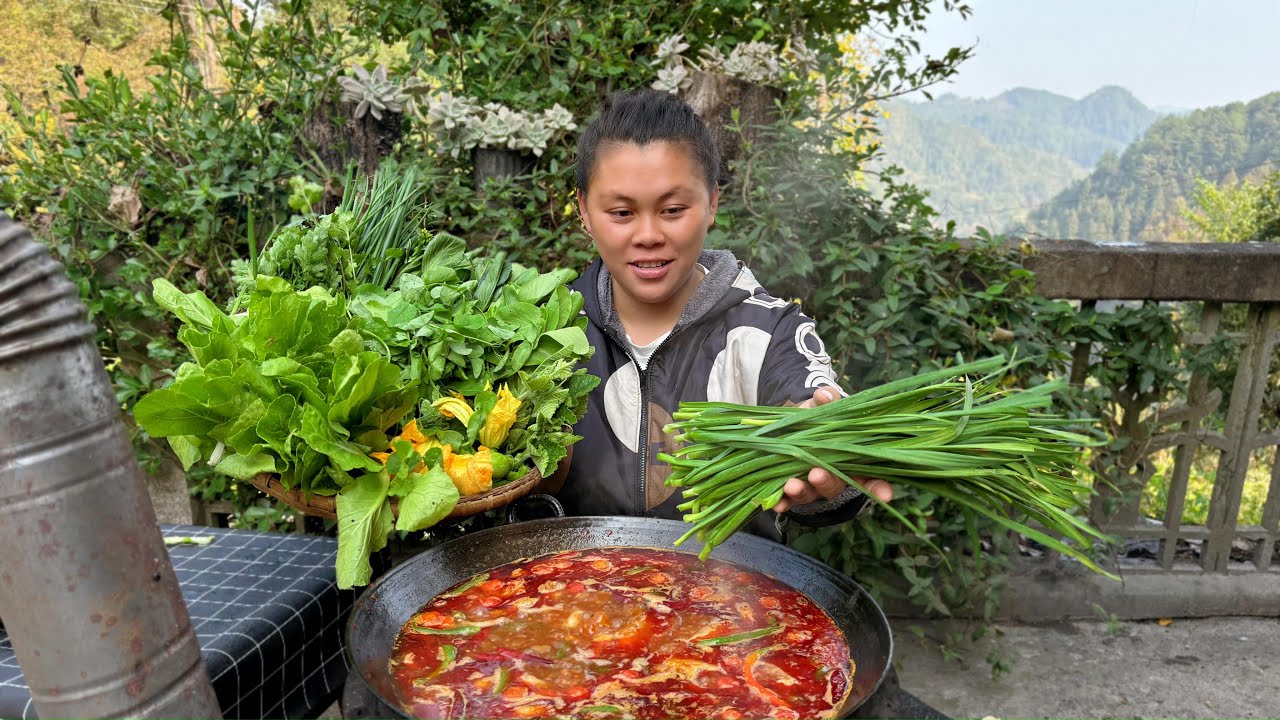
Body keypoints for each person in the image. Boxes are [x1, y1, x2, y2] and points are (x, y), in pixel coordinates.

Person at [558, 88, 892, 543]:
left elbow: (812, 406)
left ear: (712, 203)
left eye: (673, 210)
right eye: (621, 212)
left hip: (732, 601)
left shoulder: (768, 332)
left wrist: (828, 453)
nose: (649, 234)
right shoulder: (551, 330)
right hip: (572, 599)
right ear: (584, 211)